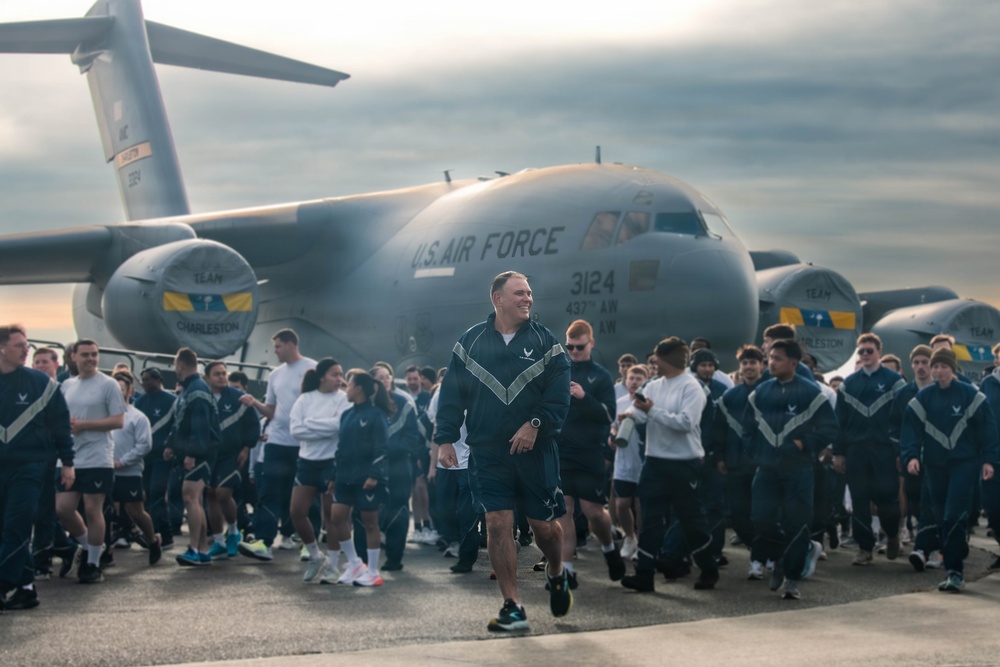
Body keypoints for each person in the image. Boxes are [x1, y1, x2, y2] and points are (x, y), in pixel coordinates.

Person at [434, 270, 571, 632]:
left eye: (529, 293)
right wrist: (445, 437)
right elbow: (451, 394)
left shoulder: (547, 343)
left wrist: (536, 425)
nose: (527, 298)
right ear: (497, 298)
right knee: (497, 523)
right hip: (487, 450)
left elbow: (558, 396)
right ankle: (513, 605)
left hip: (535, 451)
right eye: (519, 293)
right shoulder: (470, 342)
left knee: (544, 528)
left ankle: (557, 572)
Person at [619, 337, 718, 593]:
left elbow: (686, 422)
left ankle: (709, 569)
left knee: (690, 520)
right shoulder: (653, 385)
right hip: (654, 462)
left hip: (684, 463)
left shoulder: (691, 388)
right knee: (650, 520)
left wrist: (651, 412)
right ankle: (644, 575)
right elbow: (642, 411)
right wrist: (630, 415)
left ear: (667, 360)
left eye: (657, 358)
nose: (654, 362)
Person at [742, 338, 838, 600]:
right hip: (767, 469)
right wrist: (756, 455)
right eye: (770, 357)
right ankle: (781, 556)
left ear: (793, 363)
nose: (771, 362)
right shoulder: (760, 392)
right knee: (760, 520)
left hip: (798, 470)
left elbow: (830, 428)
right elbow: (747, 429)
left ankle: (792, 579)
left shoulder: (811, 393)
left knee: (797, 523)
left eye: (777, 358)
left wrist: (804, 442)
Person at [900, 348, 998, 592]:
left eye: (943, 366)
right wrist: (912, 456)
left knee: (953, 515)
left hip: (964, 463)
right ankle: (953, 556)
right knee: (943, 517)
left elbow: (988, 428)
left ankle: (955, 572)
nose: (938, 371)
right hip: (934, 465)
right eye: (935, 366)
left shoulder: (970, 395)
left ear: (952, 369)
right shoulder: (924, 398)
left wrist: (989, 460)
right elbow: (910, 429)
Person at [0, 325, 75, 612]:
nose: (26, 350)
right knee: (4, 529)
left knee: (17, 527)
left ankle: (3, 581)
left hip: (31, 467)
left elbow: (60, 425)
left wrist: (68, 463)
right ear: (2, 348)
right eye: (20, 345)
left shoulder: (41, 384)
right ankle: (26, 589)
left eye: (27, 345)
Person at [555, 319, 622, 586]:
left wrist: (585, 397)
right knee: (565, 511)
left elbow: (609, 415)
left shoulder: (601, 376)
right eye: (569, 347)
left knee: (594, 511)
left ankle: (609, 547)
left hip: (590, 452)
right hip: (562, 452)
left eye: (579, 347)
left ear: (591, 343)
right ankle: (567, 570)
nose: (573, 352)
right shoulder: (560, 371)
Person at [239, 329, 316, 560]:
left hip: (304, 444)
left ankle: (307, 543)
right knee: (268, 492)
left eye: (278, 346)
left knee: (306, 496)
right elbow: (271, 410)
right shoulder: (275, 375)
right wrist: (254, 403)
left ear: (291, 344)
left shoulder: (312, 368)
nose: (275, 351)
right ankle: (264, 542)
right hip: (277, 441)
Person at [832, 333, 906, 565]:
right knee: (859, 500)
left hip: (885, 450)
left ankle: (892, 534)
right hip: (856, 450)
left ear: (879, 353)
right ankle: (865, 549)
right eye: (861, 351)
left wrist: (900, 452)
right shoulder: (848, 384)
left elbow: (903, 420)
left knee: (887, 498)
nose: (865, 355)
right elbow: (839, 422)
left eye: (869, 351)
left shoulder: (896, 382)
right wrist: (839, 452)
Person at [57, 339, 127, 583]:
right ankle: (88, 546)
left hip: (98, 456)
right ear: (73, 357)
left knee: (92, 509)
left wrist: (85, 425)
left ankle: (93, 564)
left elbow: (118, 421)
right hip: (71, 457)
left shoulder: (108, 385)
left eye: (94, 354)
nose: (90, 359)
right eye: (85, 354)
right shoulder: (67, 385)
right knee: (63, 508)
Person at [288, 358, 350, 582]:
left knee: (330, 516)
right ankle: (315, 554)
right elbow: (295, 430)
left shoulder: (343, 399)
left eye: (341, 374)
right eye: (335, 374)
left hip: (330, 462)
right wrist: (324, 426)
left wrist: (310, 423)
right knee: (297, 511)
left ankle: (333, 565)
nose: (339, 379)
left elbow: (340, 426)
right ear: (322, 376)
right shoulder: (305, 399)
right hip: (306, 461)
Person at [330, 371, 391, 587]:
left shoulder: (376, 415)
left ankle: (373, 571)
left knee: (370, 523)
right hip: (345, 476)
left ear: (359, 389)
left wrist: (375, 475)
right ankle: (355, 563)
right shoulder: (346, 415)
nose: (345, 388)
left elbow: (382, 448)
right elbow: (340, 448)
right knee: (336, 517)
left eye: (349, 385)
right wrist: (333, 476)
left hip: (367, 478)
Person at [168, 348, 222, 566]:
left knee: (190, 497)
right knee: (195, 499)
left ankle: (194, 548)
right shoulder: (191, 388)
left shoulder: (196, 389)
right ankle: (201, 549)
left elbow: (200, 425)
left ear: (180, 364)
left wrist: (192, 452)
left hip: (200, 452)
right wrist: (171, 445)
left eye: (175, 364)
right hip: (199, 451)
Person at [717, 345, 765, 579]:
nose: (748, 367)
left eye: (753, 362)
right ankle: (759, 551)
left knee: (763, 515)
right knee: (738, 515)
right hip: (736, 464)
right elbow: (719, 430)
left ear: (761, 365)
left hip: (763, 465)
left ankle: (762, 559)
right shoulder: (730, 397)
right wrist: (719, 457)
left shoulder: (770, 391)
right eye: (745, 363)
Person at [204, 361, 260, 560]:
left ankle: (234, 531)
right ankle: (219, 541)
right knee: (210, 494)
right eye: (217, 374)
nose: (221, 377)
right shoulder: (203, 397)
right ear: (207, 378)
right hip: (209, 455)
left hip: (232, 454)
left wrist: (246, 448)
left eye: (223, 373)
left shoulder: (238, 398)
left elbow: (253, 425)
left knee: (222, 492)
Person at [110, 372, 161, 566]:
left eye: (121, 388)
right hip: (104, 471)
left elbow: (144, 445)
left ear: (130, 390)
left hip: (128, 472)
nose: (117, 392)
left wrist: (122, 461)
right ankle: (104, 551)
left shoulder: (137, 417)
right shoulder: (102, 414)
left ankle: (152, 539)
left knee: (136, 512)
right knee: (102, 511)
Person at [611, 364, 648, 561]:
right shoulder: (620, 401)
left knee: (641, 503)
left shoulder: (649, 403)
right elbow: (613, 427)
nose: (634, 382)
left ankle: (642, 542)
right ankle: (630, 537)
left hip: (642, 460)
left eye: (638, 379)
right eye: (631, 378)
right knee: (622, 503)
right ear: (626, 380)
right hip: (623, 461)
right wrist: (613, 435)